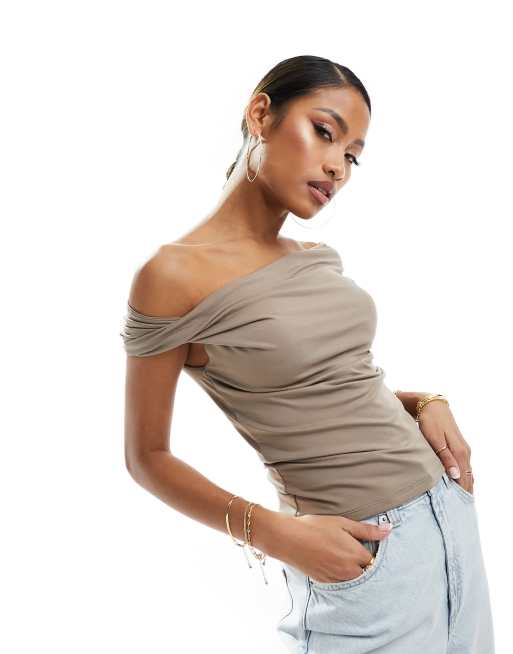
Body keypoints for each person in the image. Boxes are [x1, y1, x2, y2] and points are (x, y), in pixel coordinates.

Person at [120, 55, 495, 652]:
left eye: (352, 156)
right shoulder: (171, 276)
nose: (337, 166)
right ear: (261, 114)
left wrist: (424, 401)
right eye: (324, 132)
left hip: (448, 520)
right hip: (361, 554)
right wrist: (272, 533)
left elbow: (334, 389)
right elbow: (146, 457)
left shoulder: (316, 258)